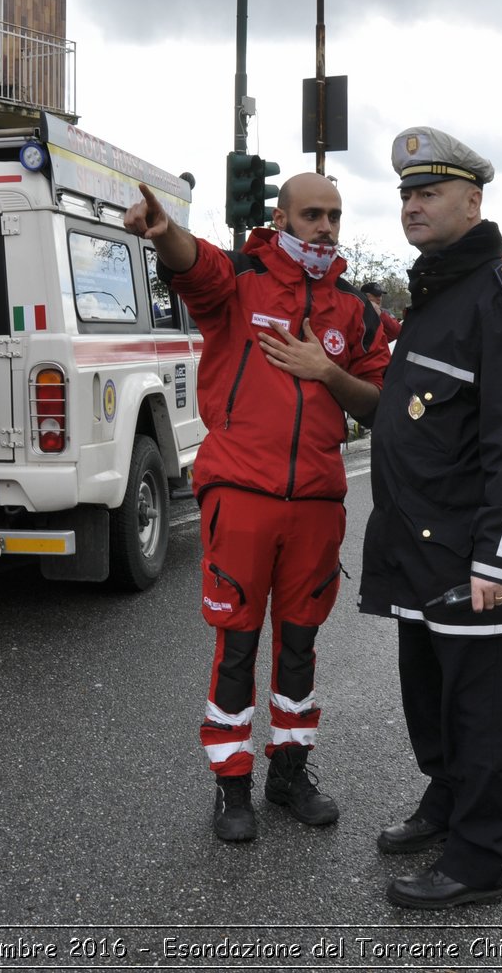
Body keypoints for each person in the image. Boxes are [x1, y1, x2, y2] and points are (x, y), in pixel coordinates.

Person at [123, 173, 390, 844]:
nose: (325, 226)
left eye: (333, 214)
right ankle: (231, 782)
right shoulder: (241, 279)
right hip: (242, 494)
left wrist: (327, 372)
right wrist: (166, 233)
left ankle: (290, 772)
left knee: (299, 644)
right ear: (281, 216)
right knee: (237, 644)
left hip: (318, 500)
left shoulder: (355, 310)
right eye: (311, 214)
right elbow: (195, 264)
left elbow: (380, 404)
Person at [360, 127, 502, 910]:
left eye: (430, 192)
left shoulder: (499, 297)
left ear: (473, 201)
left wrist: (497, 559)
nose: (412, 204)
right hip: (421, 549)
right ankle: (444, 804)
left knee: (480, 716)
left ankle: (479, 860)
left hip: (477, 558)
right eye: (407, 193)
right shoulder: (437, 291)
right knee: (430, 698)